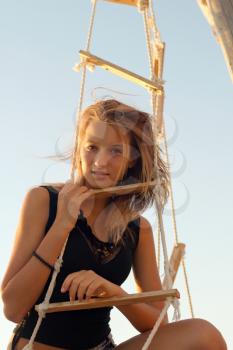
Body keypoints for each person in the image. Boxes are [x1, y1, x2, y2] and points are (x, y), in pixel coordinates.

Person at [1, 99, 227, 350]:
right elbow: (12, 309)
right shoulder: (44, 200)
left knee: (204, 335)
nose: (100, 161)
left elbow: (157, 324)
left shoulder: (137, 230)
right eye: (92, 147)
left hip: (102, 346)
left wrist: (114, 293)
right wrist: (61, 226)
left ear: (132, 158)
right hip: (39, 345)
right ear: (79, 148)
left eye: (115, 151)